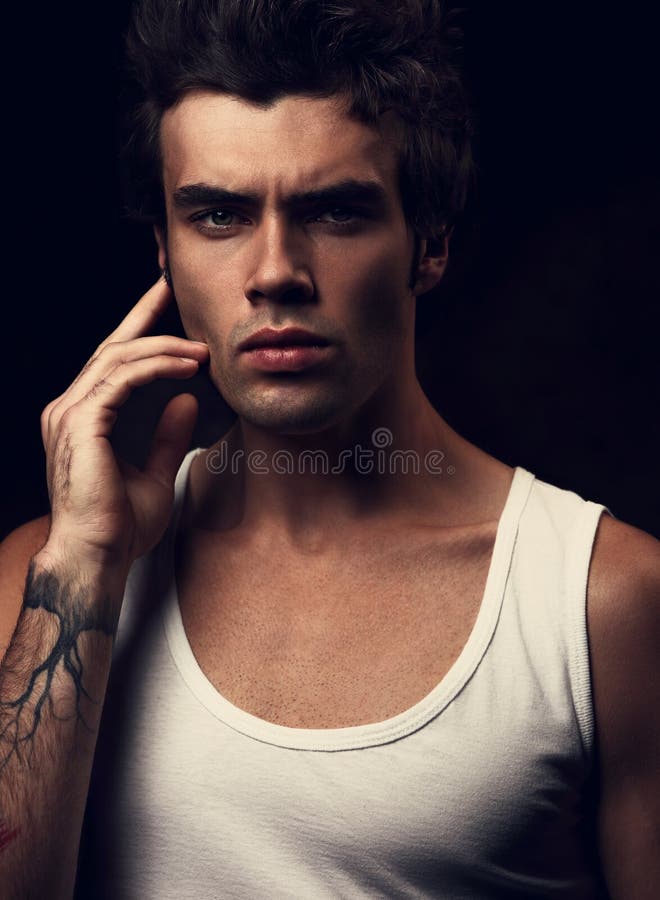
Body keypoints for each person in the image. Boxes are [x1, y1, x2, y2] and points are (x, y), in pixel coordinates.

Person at [1, 0, 658, 896]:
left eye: (336, 212)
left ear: (429, 246)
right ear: (163, 250)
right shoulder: (44, 581)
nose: (276, 271)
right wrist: (81, 563)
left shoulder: (603, 604)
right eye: (220, 216)